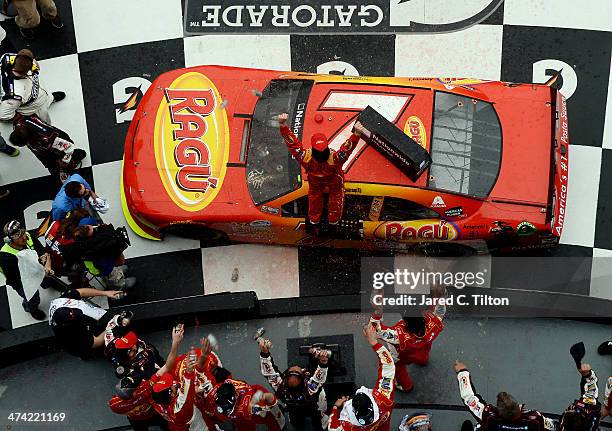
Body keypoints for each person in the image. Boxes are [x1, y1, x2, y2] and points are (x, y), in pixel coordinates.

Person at [277, 112, 364, 228]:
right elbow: (347, 148)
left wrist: (283, 126)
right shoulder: (336, 159)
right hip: (334, 180)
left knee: (314, 198)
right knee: (336, 196)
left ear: (313, 151)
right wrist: (357, 134)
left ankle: (314, 220)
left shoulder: (305, 158)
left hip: (315, 182)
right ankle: (334, 219)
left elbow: (293, 145)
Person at [370, 285, 446, 392]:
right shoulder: (434, 323)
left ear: (405, 320)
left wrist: (378, 307)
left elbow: (375, 330)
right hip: (422, 350)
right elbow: (440, 308)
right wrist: (439, 293)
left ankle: (407, 387)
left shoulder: (397, 335)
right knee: (423, 355)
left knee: (398, 368)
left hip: (404, 357)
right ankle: (423, 361)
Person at [110, 323, 185, 431]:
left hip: (136, 419)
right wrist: (175, 343)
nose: (135, 346)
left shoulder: (115, 405)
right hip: (154, 412)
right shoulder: (146, 388)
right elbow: (167, 366)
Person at [454, 360, 556, 431]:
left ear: (499, 413)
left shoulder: (489, 417)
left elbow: (469, 397)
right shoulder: (535, 419)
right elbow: (554, 427)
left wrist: (462, 371)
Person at [329, 324, 395, 431]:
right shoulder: (384, 398)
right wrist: (374, 343)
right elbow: (388, 366)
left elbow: (332, 428)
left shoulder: (347, 426)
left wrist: (336, 407)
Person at [258, 335, 330, 430]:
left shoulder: (280, 386)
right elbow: (319, 378)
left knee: (296, 422)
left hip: (294, 411)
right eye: (300, 370)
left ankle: (298, 426)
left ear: (285, 378)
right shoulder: (310, 389)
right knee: (318, 420)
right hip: (313, 407)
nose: (296, 366)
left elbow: (269, 373)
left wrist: (264, 353)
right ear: (304, 378)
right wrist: (323, 360)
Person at [0, 219, 63, 319]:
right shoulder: (6, 256)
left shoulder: (28, 236)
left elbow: (43, 252)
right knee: (33, 298)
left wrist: (47, 266)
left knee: (47, 278)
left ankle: (48, 283)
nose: (24, 238)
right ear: (10, 240)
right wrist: (39, 270)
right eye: (19, 237)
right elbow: (16, 277)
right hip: (20, 280)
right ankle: (31, 308)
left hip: (35, 268)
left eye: (23, 233)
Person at [48, 287, 124, 358]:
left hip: (87, 325)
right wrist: (113, 324)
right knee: (91, 352)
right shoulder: (70, 334)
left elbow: (81, 292)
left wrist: (105, 293)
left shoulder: (61, 302)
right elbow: (96, 342)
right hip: (81, 345)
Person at [10, 114, 86, 181]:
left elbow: (69, 146)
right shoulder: (18, 123)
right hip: (43, 149)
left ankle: (76, 157)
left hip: (57, 145)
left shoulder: (49, 138)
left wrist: (64, 161)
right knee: (53, 169)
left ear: (28, 140)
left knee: (71, 160)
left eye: (22, 145)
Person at [63, 223, 135, 289]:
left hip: (94, 264)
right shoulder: (95, 248)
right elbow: (117, 260)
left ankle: (111, 274)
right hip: (100, 268)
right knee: (111, 273)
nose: (95, 228)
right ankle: (120, 284)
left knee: (108, 269)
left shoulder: (81, 242)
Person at [0, 49, 65, 122]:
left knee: (44, 97)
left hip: (37, 94)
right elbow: (3, 115)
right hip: (32, 107)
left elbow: (24, 59)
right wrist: (23, 119)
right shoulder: (15, 96)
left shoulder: (6, 57)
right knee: (45, 121)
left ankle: (50, 98)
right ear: (27, 70)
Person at [201, 378, 285, 431]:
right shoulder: (218, 391)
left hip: (255, 403)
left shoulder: (249, 403)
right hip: (240, 417)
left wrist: (263, 398)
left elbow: (271, 398)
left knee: (273, 422)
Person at [559, 362, 601, 431]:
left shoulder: (564, 424)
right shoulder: (590, 411)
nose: (572, 409)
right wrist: (588, 374)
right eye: (575, 411)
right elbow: (590, 393)